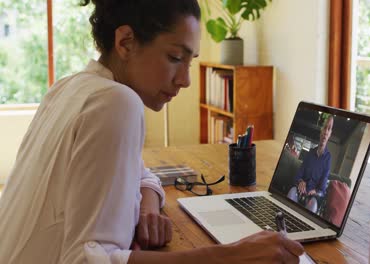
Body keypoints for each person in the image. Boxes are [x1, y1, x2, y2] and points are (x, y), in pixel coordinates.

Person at [0, 1, 304, 263]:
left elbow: (140, 172)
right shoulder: (117, 102)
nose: (185, 80)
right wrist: (232, 256)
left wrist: (147, 207)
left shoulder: (68, 87)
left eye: (190, 61)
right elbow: (85, 260)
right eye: (174, 58)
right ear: (126, 42)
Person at [287, 115, 334, 213]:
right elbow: (298, 175)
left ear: (330, 134)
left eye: (329, 129)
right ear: (321, 130)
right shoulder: (309, 153)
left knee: (313, 206)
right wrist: (300, 181)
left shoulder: (328, 159)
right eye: (325, 127)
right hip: (300, 192)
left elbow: (322, 189)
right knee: (291, 192)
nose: (326, 132)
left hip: (312, 197)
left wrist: (315, 191)